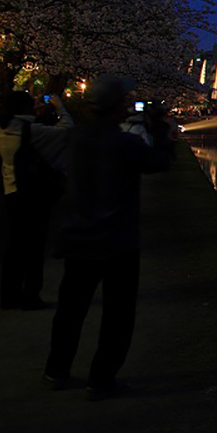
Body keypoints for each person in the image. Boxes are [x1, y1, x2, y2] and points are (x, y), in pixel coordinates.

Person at [43, 75, 174, 399]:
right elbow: (160, 161)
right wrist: (159, 127)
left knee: (70, 310)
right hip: (118, 241)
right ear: (116, 108)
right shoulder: (124, 143)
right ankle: (101, 379)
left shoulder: (73, 139)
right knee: (117, 315)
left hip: (77, 237)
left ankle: (56, 370)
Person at [0, 91, 73, 310]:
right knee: (35, 247)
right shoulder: (32, 131)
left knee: (14, 247)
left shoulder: (2, 128)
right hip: (33, 194)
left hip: (11, 191)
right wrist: (59, 107)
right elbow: (67, 130)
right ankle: (30, 295)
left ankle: (9, 296)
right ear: (26, 108)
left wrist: (34, 115)